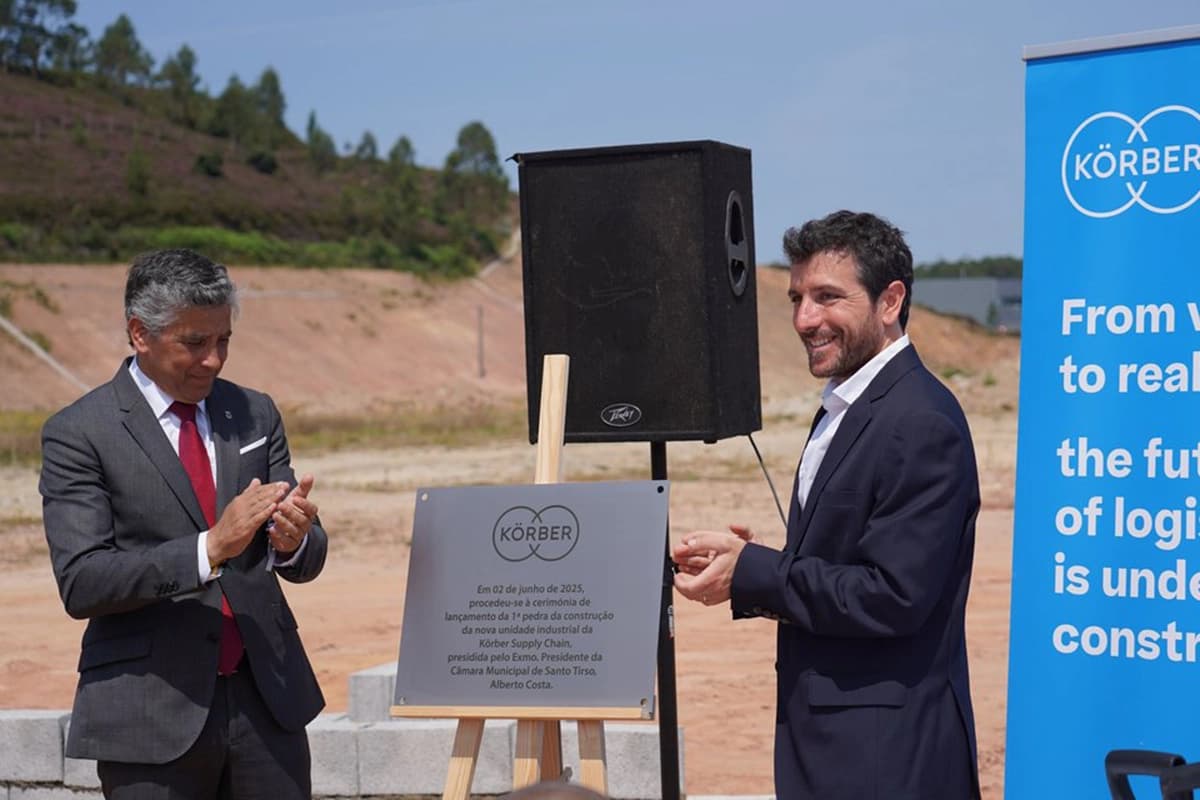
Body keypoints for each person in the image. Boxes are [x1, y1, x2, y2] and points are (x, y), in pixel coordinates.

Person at [673, 210, 980, 799]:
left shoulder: (919, 421)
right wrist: (748, 564)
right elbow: (845, 559)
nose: (804, 319)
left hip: (887, 759)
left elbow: (893, 597)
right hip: (837, 747)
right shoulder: (850, 404)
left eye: (827, 297)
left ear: (890, 301)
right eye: (796, 298)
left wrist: (757, 570)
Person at [40, 249, 328, 800]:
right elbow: (83, 581)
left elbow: (303, 553)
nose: (214, 360)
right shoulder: (79, 433)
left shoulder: (254, 413)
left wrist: (293, 542)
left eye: (223, 341)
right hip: (149, 713)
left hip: (267, 700)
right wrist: (209, 547)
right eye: (194, 343)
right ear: (139, 334)